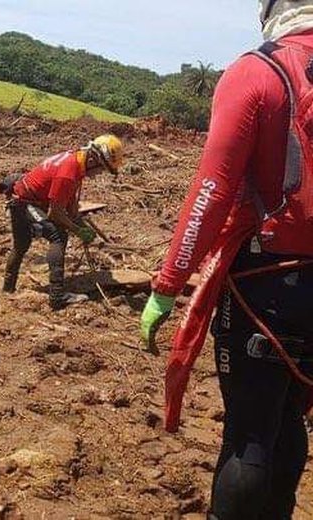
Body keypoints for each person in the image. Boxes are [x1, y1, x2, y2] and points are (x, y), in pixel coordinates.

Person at [140, 2, 313, 516]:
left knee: (250, 436)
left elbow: (210, 193)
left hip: (265, 284)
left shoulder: (259, 72)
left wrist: (168, 285)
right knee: (288, 421)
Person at [0, 135, 124, 309]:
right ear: (94, 159)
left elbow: (71, 209)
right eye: (101, 168)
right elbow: (56, 213)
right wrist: (78, 231)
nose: (99, 173)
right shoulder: (68, 172)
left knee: (23, 245)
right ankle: (57, 296)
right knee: (58, 236)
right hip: (23, 202)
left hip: (30, 200)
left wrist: (84, 228)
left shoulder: (77, 163)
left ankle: (7, 289)